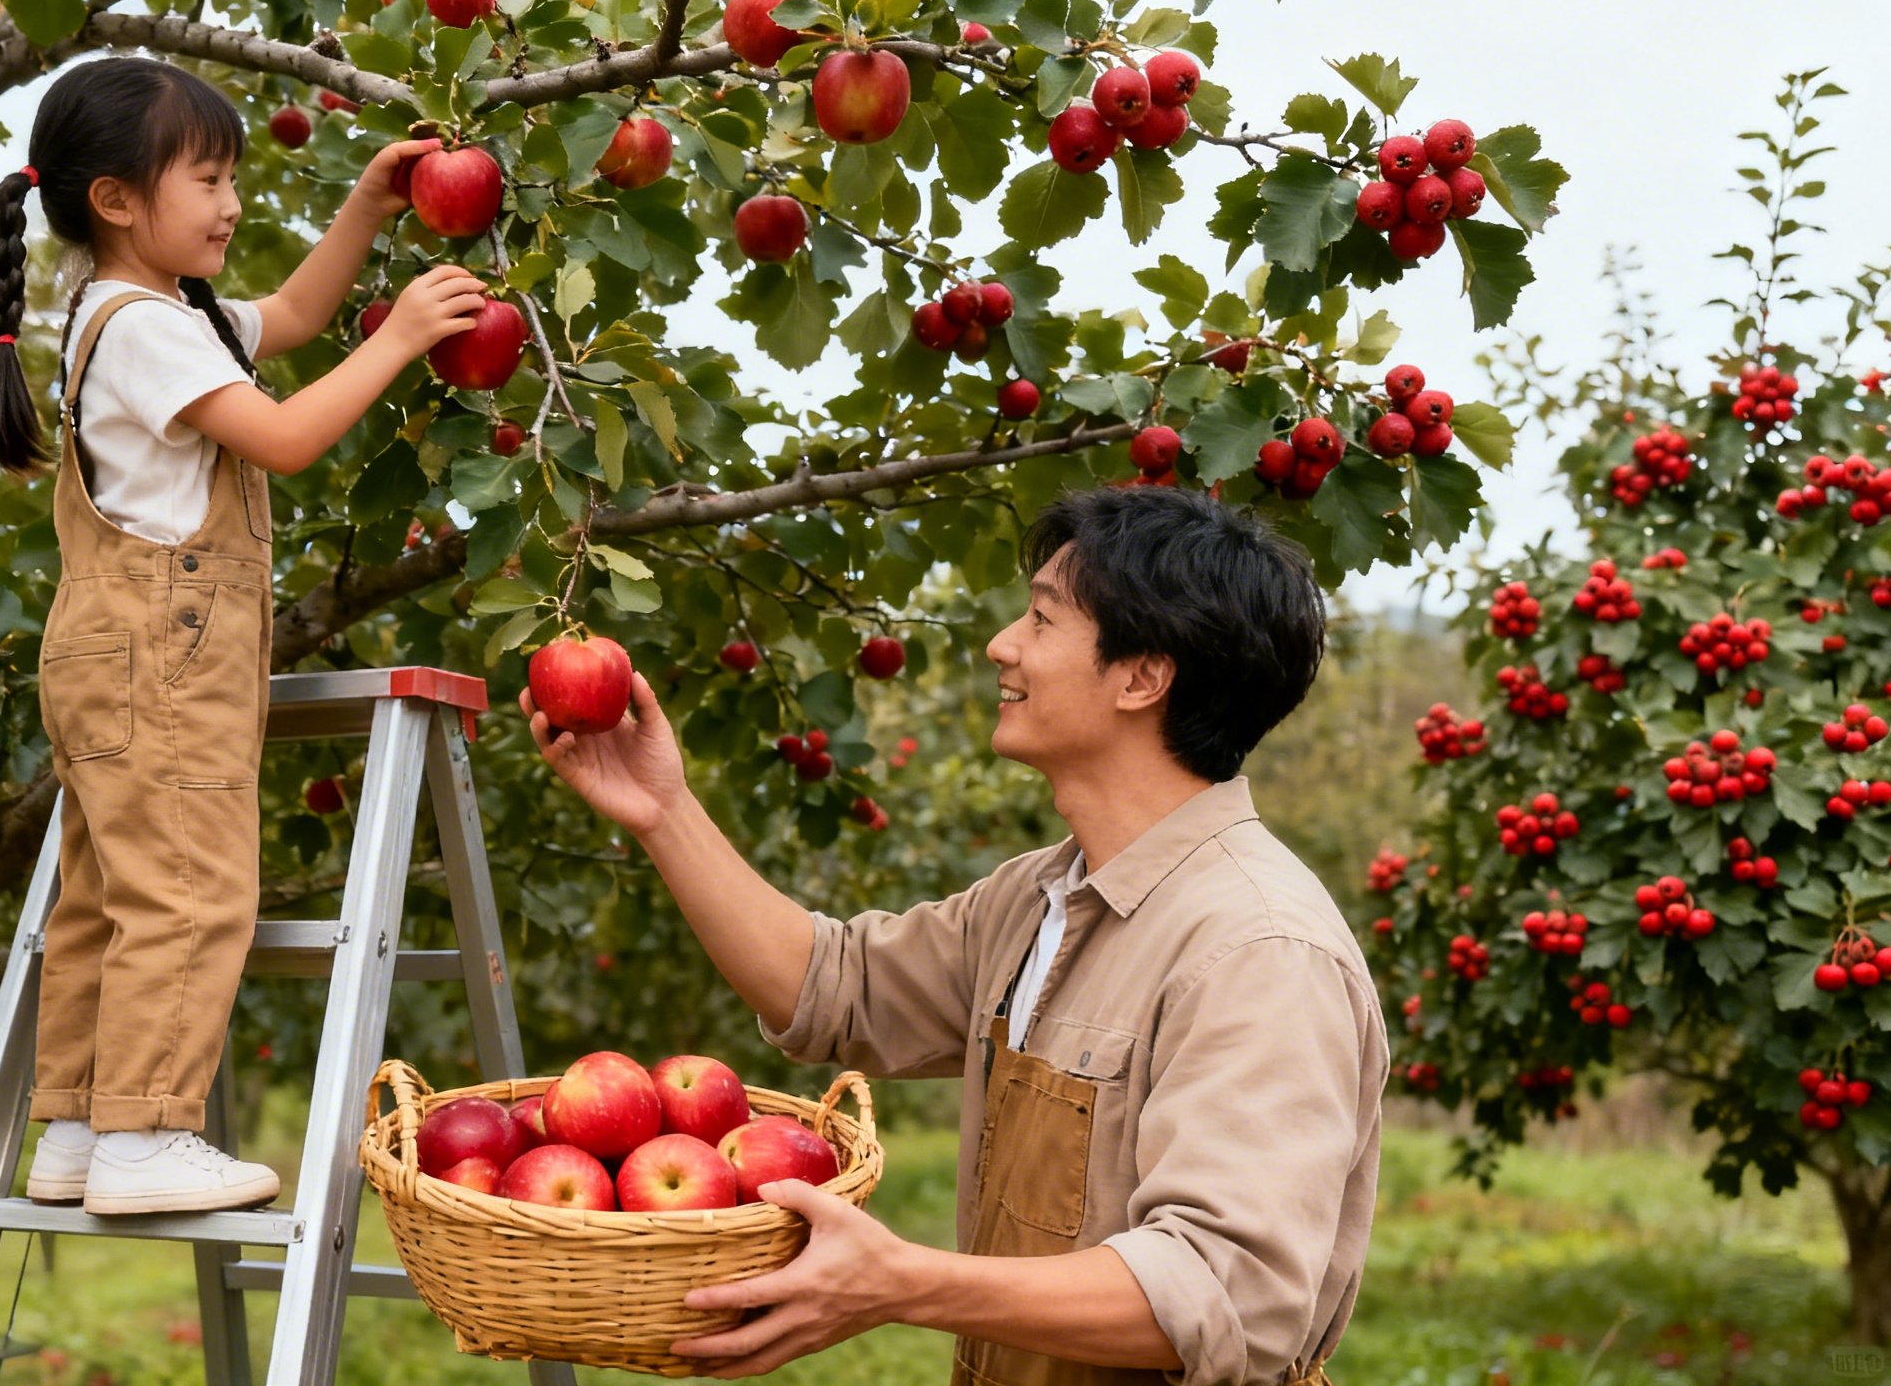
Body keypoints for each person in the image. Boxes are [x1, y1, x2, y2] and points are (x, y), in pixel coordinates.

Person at [523, 486, 1384, 1384]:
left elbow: (1224, 1295)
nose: (1001, 645)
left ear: (1142, 677)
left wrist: (900, 1283)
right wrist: (664, 812)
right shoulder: (1043, 896)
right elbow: (833, 988)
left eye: (1043, 621)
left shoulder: (1258, 950)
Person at [0, 53, 487, 1215]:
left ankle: (74, 1128)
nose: (232, 203)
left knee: (108, 897)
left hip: (105, 648)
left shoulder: (151, 314)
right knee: (194, 893)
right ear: (115, 199)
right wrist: (403, 335)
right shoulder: (146, 327)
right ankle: (147, 1135)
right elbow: (287, 436)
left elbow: (298, 318)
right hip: (165, 655)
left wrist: (366, 206)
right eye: (207, 179)